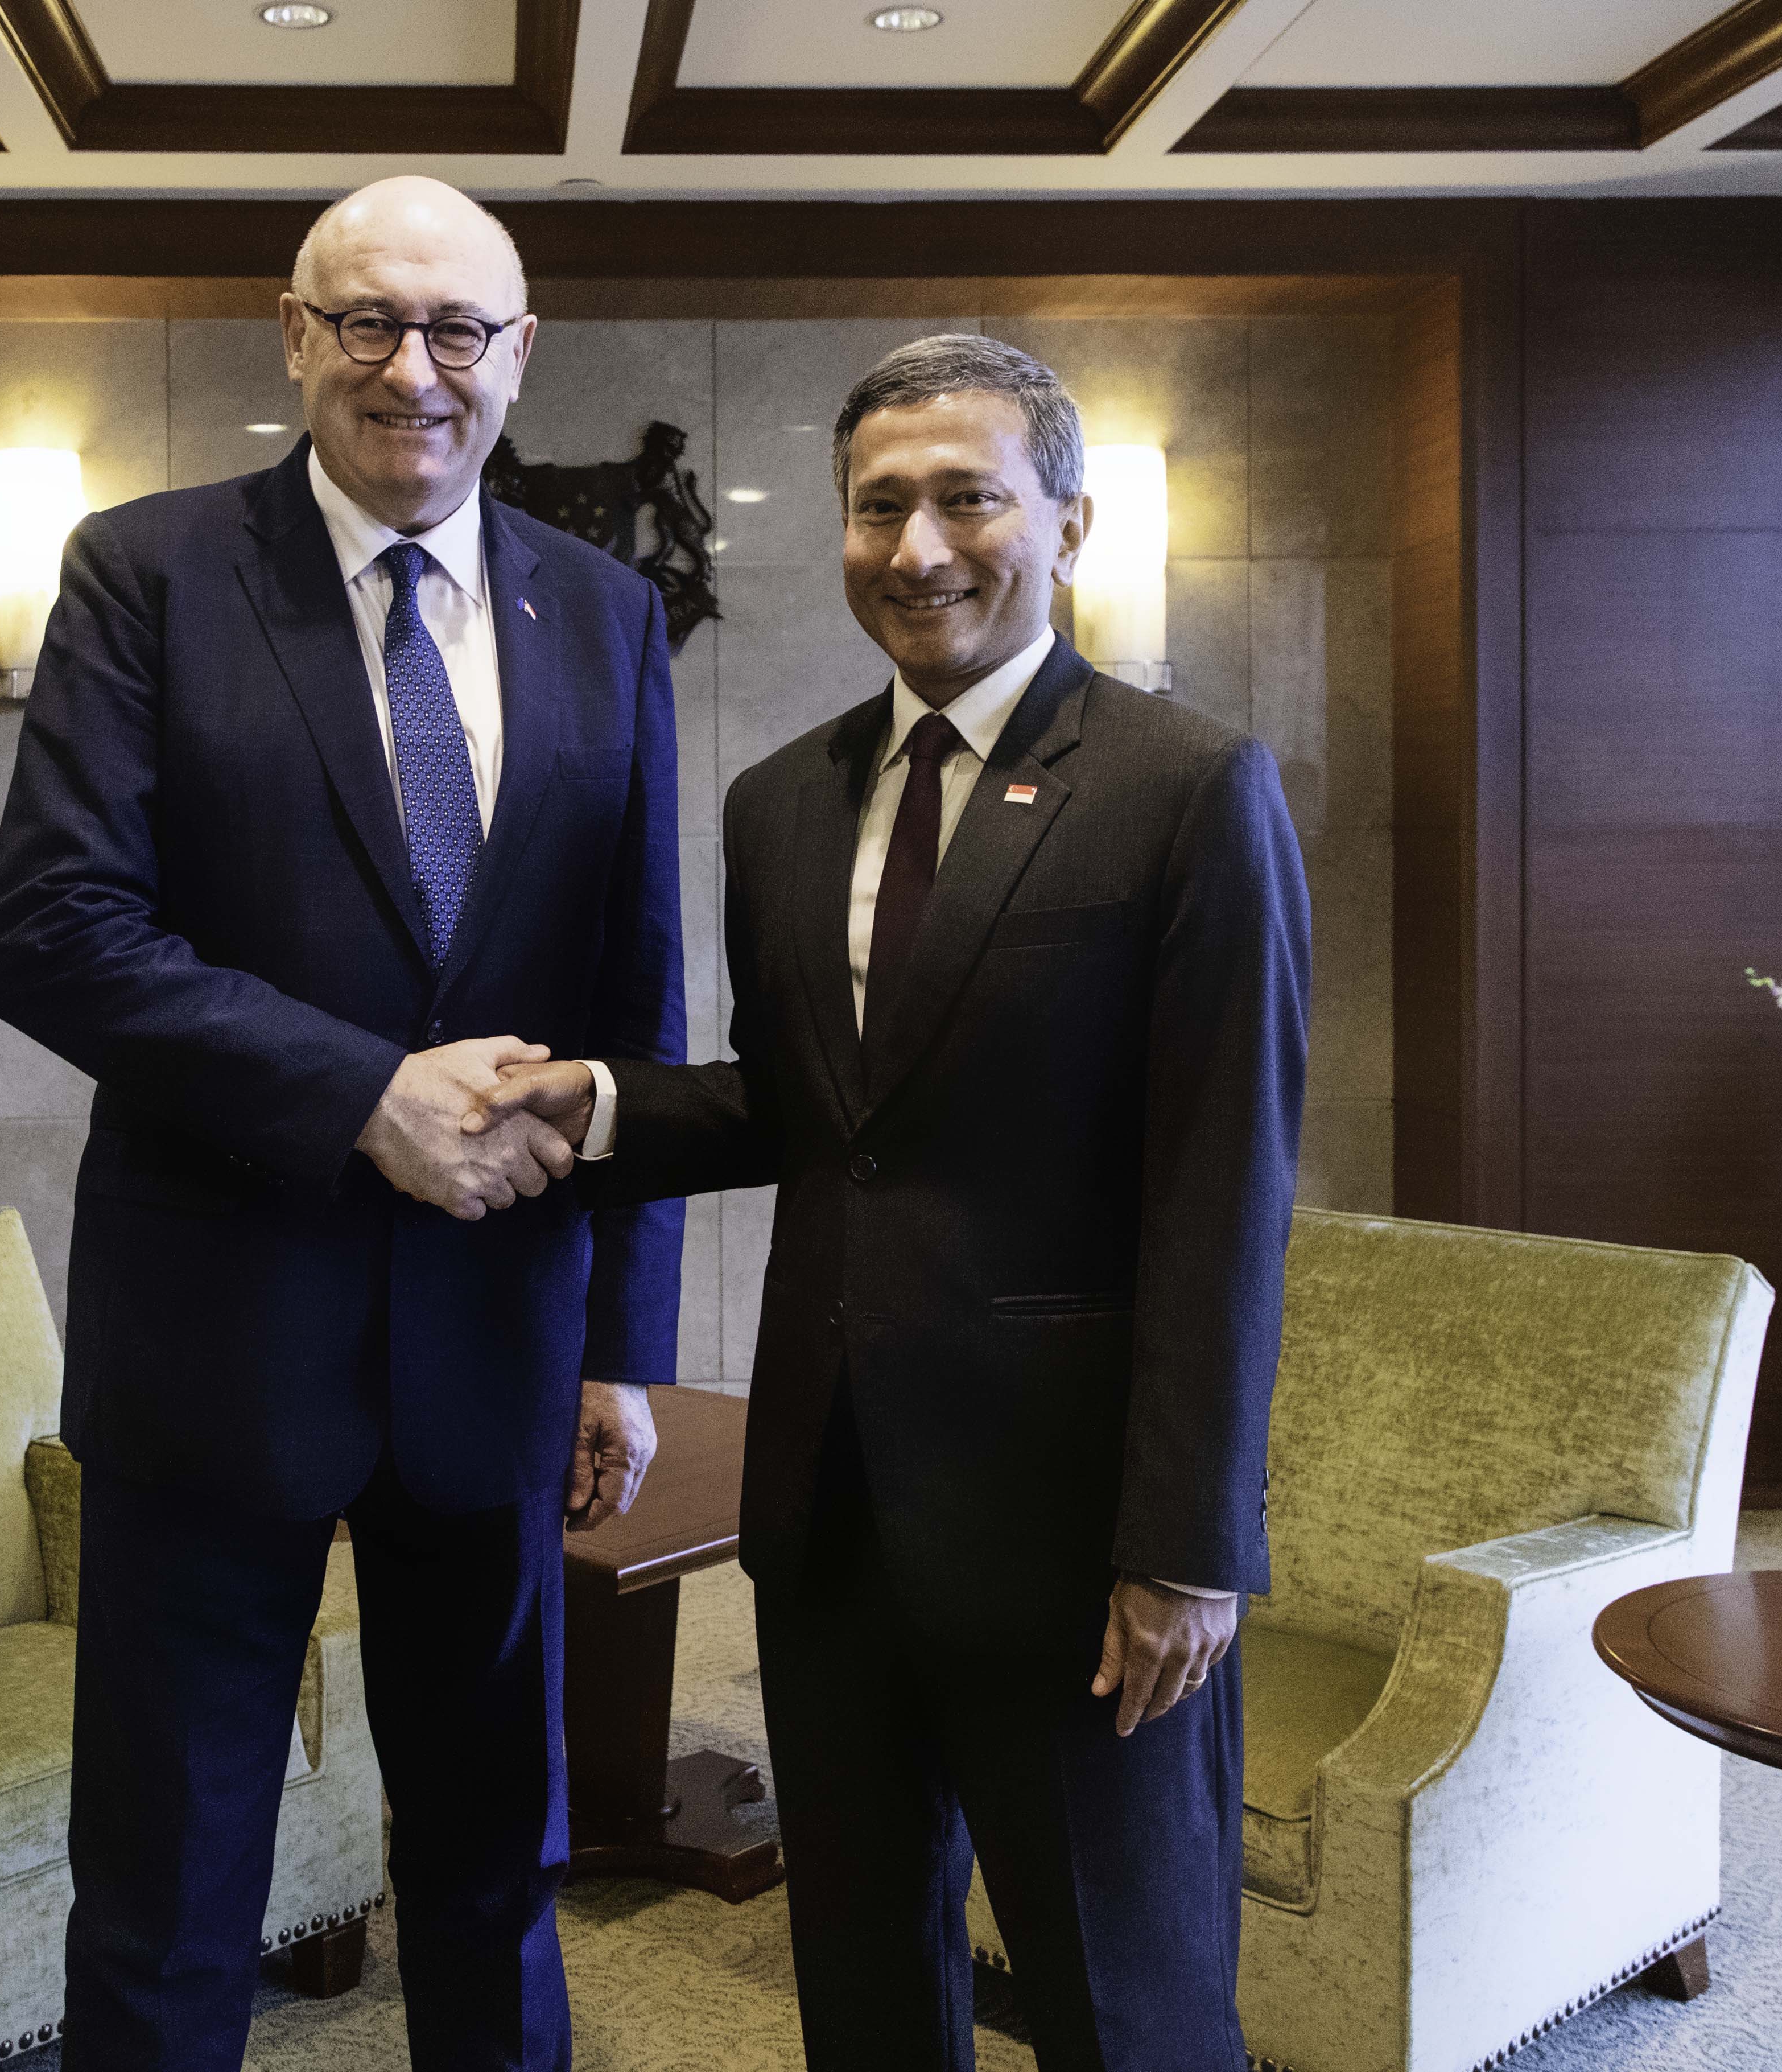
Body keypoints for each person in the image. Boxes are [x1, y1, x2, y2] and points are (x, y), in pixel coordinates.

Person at [473, 334, 1308, 2072]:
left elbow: (1223, 1187)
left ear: (1065, 522)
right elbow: (812, 1112)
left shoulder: (1185, 787)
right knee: (861, 1985)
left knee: (1125, 2001)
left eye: (967, 498)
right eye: (879, 507)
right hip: (831, 1514)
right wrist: (604, 1102)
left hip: (1077, 1533)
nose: (919, 546)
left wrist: (1188, 1543)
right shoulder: (782, 803)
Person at [0, 175, 686, 2072]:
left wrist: (626, 1344)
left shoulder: (609, 615)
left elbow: (638, 1004)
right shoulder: (145, 573)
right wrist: (361, 1094)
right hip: (217, 1337)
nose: (413, 369)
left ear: (520, 355)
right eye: (366, 321)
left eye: (458, 330)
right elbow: (51, 936)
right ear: (293, 335)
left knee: (489, 1864)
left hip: (501, 1335)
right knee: (167, 1887)